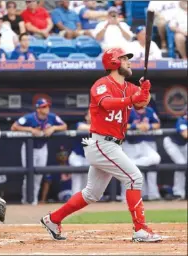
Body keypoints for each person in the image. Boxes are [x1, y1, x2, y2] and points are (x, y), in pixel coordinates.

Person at [40, 47, 162, 242]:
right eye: (124, 58)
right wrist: (133, 98)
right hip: (101, 143)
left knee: (91, 193)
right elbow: (107, 103)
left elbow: (141, 103)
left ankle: (53, 219)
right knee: (134, 178)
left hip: (112, 145)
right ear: (113, 62)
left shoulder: (129, 86)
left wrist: (145, 90)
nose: (128, 62)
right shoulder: (101, 84)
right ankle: (140, 229)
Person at [11, 98, 67, 205]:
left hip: (42, 148)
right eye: (44, 107)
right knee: (28, 176)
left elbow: (64, 126)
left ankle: (34, 201)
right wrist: (31, 130)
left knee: (39, 175)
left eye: (47, 106)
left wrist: (54, 128)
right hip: (28, 149)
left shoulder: (52, 117)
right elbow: (13, 127)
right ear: (38, 109)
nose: (47, 108)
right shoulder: (29, 117)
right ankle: (26, 200)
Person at [121, 107, 161, 202]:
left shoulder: (150, 110)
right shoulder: (127, 110)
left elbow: (157, 124)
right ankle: (126, 197)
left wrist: (149, 126)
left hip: (144, 143)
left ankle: (152, 195)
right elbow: (120, 125)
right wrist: (136, 126)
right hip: (129, 144)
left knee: (155, 159)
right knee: (128, 173)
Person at [163, 112, 187, 200]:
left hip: (184, 145)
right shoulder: (182, 120)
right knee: (181, 164)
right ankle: (178, 193)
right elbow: (185, 134)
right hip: (172, 143)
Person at [68, 110, 90, 195]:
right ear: (86, 117)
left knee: (87, 185)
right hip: (77, 156)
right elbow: (81, 127)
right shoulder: (80, 124)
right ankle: (74, 202)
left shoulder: (100, 125)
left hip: (89, 158)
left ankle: (84, 204)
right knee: (77, 184)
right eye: (91, 113)